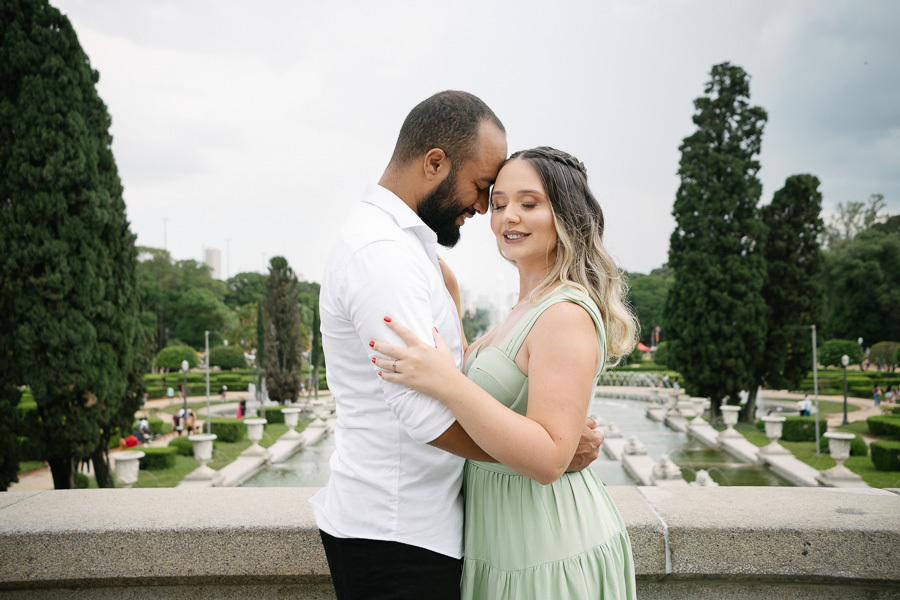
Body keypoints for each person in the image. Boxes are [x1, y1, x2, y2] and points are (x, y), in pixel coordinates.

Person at [311, 92, 604, 600]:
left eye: (524, 202)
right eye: (486, 190)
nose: (486, 207)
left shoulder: (408, 251)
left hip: (418, 529)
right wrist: (544, 453)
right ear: (434, 164)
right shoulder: (385, 255)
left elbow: (451, 378)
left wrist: (544, 447)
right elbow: (423, 411)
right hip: (397, 532)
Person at [373, 146, 637, 599]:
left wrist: (447, 383)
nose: (507, 216)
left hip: (548, 547)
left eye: (528, 203)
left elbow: (549, 458)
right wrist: (451, 296)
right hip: (501, 545)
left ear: (567, 215)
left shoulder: (564, 313)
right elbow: (490, 388)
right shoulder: (523, 308)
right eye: (498, 204)